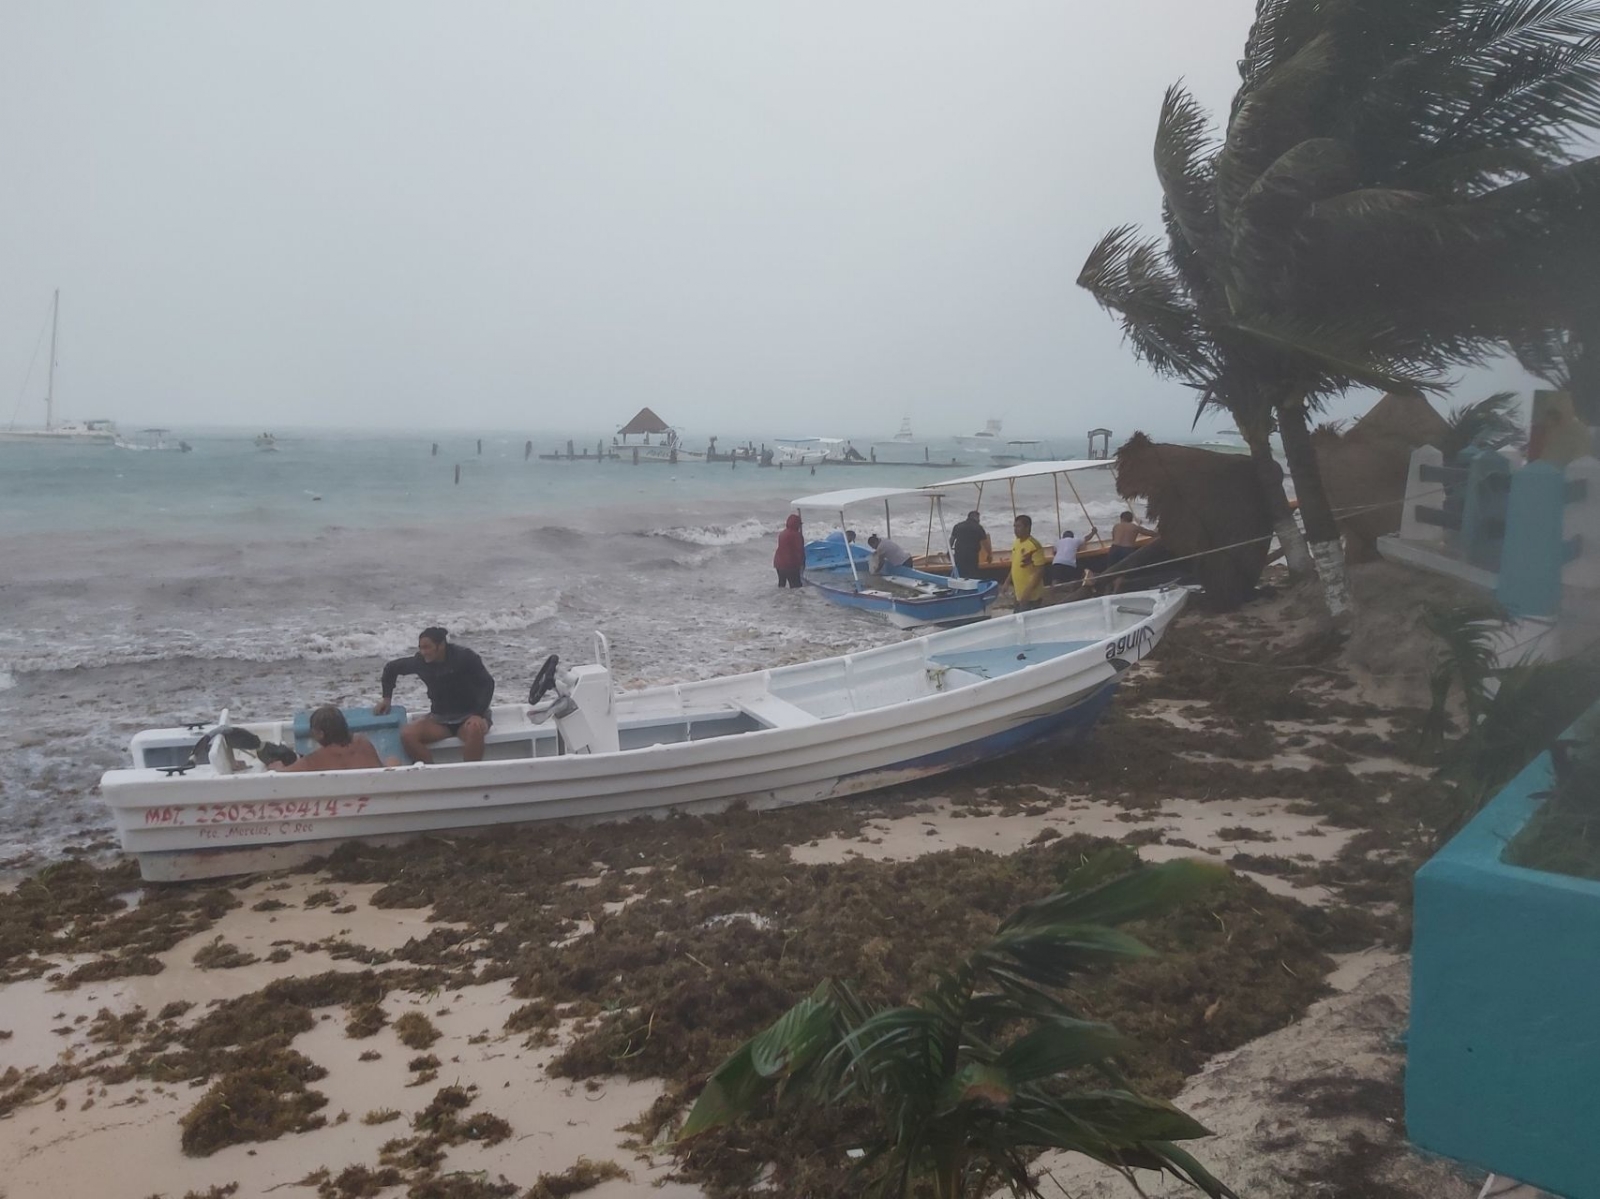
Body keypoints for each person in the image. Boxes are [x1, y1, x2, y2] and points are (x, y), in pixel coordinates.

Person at [375, 626, 496, 764]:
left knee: (475, 729)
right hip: (440, 720)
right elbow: (391, 669)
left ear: (441, 645)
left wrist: (478, 714)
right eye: (420, 647)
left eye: (427, 647)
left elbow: (487, 683)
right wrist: (386, 698)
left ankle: (469, 775)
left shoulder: (465, 657)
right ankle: (431, 773)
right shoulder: (420, 661)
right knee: (407, 734)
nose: (423, 652)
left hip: (469, 716)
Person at [268, 705, 384, 772]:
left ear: (320, 734)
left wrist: (278, 766)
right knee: (392, 759)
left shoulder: (315, 759)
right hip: (372, 794)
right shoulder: (363, 742)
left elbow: (284, 773)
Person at [1009, 515, 1048, 611]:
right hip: (1019, 591)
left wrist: (1027, 592)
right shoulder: (1016, 542)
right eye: (1014, 526)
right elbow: (1015, 564)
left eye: (1018, 526)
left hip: (1031, 595)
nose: (1015, 529)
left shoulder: (1034, 545)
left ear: (1027, 527)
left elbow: (1040, 571)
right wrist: (1007, 582)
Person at [949, 510, 990, 579]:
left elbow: (952, 540)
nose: (979, 520)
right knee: (972, 574)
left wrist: (949, 551)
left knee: (960, 572)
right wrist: (990, 554)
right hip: (972, 555)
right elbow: (985, 543)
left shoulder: (958, 526)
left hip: (959, 554)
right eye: (978, 518)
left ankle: (960, 586)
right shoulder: (978, 527)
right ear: (976, 517)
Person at [773, 513, 805, 588]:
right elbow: (799, 551)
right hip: (790, 565)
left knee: (781, 585)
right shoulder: (796, 535)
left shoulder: (782, 533)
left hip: (778, 564)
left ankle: (781, 599)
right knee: (796, 587)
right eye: (799, 524)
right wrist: (802, 564)